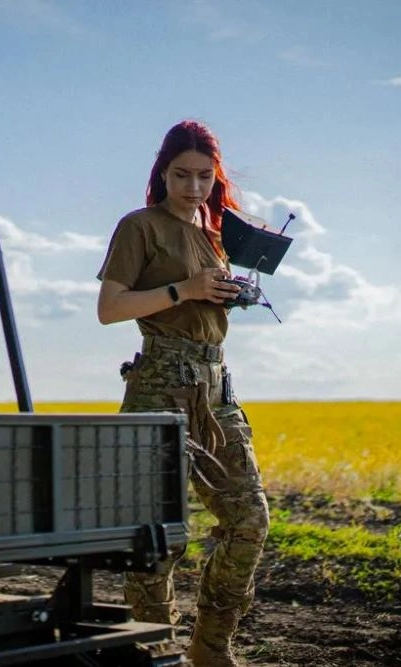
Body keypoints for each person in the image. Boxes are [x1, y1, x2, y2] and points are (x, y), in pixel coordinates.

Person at [96, 120, 270, 667]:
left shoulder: (216, 232)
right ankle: (151, 650)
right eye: (182, 175)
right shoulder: (139, 227)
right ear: (162, 173)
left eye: (204, 177)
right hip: (159, 383)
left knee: (249, 521)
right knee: (158, 534)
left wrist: (230, 293)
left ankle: (210, 646)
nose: (193, 187)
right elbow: (110, 308)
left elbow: (205, 302)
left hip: (216, 386)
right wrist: (186, 289)